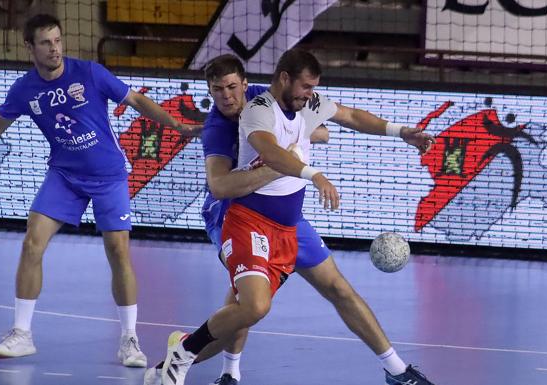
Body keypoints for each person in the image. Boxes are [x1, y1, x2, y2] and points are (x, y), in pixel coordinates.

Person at [146, 50, 436, 385]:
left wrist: (401, 131)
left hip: (288, 221)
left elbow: (349, 116)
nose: (226, 96)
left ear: (245, 83)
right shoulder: (231, 123)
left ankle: (397, 370)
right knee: (250, 304)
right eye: (217, 90)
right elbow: (227, 182)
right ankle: (202, 361)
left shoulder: (284, 99)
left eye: (231, 87)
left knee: (335, 288)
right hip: (237, 215)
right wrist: (307, 171)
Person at [0, 14, 195, 367]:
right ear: (30, 47)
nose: (55, 49)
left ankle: (129, 340)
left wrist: (173, 124)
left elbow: (137, 101)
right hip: (64, 175)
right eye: (46, 43)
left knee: (118, 250)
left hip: (108, 175)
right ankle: (21, 334)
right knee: (32, 241)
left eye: (58, 41)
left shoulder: (90, 73)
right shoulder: (24, 89)